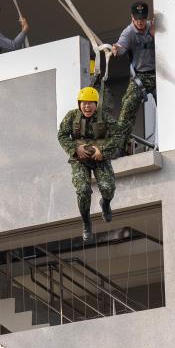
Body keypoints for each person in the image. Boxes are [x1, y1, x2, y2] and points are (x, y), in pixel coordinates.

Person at [57, 87, 118, 243]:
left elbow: (118, 135)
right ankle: (86, 222)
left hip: (100, 159)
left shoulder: (104, 117)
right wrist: (75, 149)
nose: (87, 107)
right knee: (83, 190)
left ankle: (105, 203)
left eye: (91, 103)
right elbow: (62, 135)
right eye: (84, 103)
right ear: (79, 104)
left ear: (96, 104)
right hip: (80, 160)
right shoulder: (72, 117)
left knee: (108, 188)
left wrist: (102, 150)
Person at [110, 1, 157, 150]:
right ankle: (119, 147)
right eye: (137, 19)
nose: (140, 22)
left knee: (170, 105)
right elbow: (121, 46)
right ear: (132, 17)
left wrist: (157, 35)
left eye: (143, 19)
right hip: (140, 77)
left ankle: (169, 140)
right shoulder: (129, 32)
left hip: (158, 76)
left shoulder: (154, 27)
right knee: (127, 107)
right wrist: (116, 49)